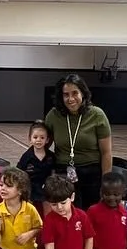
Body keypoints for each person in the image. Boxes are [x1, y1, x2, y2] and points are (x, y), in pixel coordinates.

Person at [43, 74, 113, 210]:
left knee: (89, 213)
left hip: (92, 173)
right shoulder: (53, 115)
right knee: (66, 214)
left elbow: (106, 152)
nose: (71, 99)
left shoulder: (97, 115)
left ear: (83, 93)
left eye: (75, 93)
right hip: (63, 172)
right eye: (66, 95)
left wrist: (106, 182)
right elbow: (43, 146)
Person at [17, 120, 56, 206]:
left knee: (48, 205)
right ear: (30, 139)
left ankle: (47, 219)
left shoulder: (51, 156)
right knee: (28, 207)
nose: (38, 140)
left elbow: (54, 171)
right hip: (30, 188)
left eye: (42, 138)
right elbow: (19, 172)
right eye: (35, 137)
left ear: (47, 140)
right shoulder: (26, 156)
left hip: (46, 188)